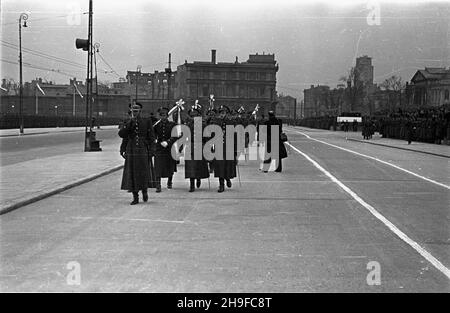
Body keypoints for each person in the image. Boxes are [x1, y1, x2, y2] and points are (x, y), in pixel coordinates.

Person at [119, 102, 156, 205]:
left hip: (143, 148)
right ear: (130, 110)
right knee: (132, 172)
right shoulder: (127, 121)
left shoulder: (146, 121)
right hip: (131, 149)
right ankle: (135, 196)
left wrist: (152, 150)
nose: (135, 111)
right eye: (133, 109)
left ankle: (144, 190)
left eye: (137, 109)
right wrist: (122, 149)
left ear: (140, 110)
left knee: (143, 170)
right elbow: (122, 135)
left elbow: (152, 136)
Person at [208, 105, 237, 193]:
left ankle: (227, 178)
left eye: (224, 113)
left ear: (227, 114)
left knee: (227, 165)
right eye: (221, 113)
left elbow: (234, 137)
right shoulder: (216, 122)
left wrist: (235, 150)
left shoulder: (231, 122)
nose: (222, 115)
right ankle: (221, 184)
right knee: (220, 166)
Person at [183, 104, 210, 192]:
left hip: (200, 146)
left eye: (195, 115)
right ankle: (192, 184)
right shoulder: (187, 125)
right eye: (191, 116)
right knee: (190, 165)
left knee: (199, 165)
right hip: (190, 146)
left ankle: (198, 178)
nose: (193, 117)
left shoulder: (203, 125)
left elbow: (206, 137)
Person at [153, 106, 178, 192]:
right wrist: (155, 141)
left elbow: (176, 136)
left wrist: (168, 142)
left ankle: (169, 181)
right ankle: (158, 184)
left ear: (167, 116)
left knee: (169, 166)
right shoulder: (156, 126)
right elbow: (152, 135)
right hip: (159, 148)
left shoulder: (172, 125)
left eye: (164, 115)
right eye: (161, 115)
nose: (163, 117)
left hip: (169, 148)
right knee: (158, 166)